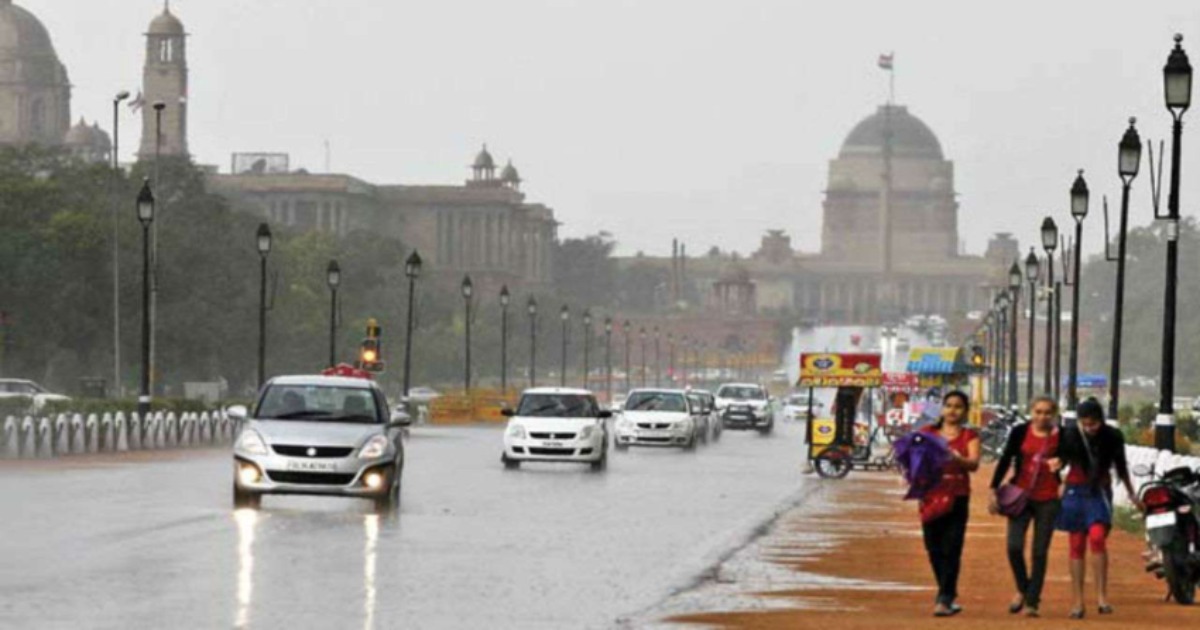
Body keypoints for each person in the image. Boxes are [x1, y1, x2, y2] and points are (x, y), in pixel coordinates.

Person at [1053, 397, 1141, 619]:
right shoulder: (1070, 435)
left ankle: (1102, 597)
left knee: (1097, 537)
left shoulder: (1113, 437)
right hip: (1074, 491)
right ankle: (1077, 601)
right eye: (1085, 423)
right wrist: (1058, 478)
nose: (1089, 428)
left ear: (1101, 420)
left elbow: (1121, 467)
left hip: (1099, 492)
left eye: (1093, 423)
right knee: (1076, 543)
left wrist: (1132, 494)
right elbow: (1061, 460)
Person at [988, 395, 1061, 618]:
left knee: (1040, 552)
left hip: (1048, 498)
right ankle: (1022, 587)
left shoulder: (1063, 436)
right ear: (1031, 412)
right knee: (1014, 546)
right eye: (1038, 412)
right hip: (1021, 495)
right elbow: (1006, 458)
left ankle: (1032, 601)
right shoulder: (1020, 432)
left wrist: (1062, 467)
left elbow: (1071, 459)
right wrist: (993, 488)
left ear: (1054, 414)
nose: (1042, 417)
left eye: (1047, 412)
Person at [920, 390, 981, 617]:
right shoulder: (927, 433)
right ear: (942, 408)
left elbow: (974, 464)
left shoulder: (969, 436)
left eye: (958, 406)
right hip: (930, 496)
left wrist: (957, 459)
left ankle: (944, 598)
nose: (952, 410)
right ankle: (948, 592)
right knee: (933, 547)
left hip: (957, 495)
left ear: (965, 411)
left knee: (952, 547)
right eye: (949, 405)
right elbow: (912, 458)